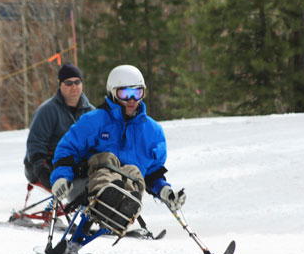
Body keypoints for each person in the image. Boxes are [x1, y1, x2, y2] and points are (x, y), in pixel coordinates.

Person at [49, 64, 186, 226]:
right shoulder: (95, 121)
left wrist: (164, 191)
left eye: (137, 93)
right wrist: (62, 177)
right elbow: (67, 149)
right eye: (125, 94)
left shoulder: (153, 131)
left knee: (134, 171)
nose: (132, 100)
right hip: (87, 187)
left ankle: (124, 206)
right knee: (108, 160)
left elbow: (152, 173)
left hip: (128, 192)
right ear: (113, 93)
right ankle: (108, 196)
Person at [23, 63, 95, 189]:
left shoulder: (91, 113)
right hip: (43, 164)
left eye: (77, 82)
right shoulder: (47, 111)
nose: (74, 87)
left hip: (75, 163)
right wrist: (41, 169)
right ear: (60, 84)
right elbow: (35, 144)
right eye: (68, 83)